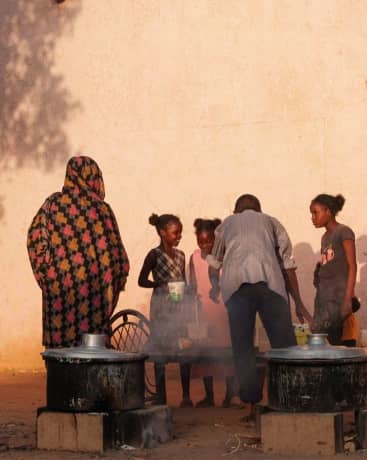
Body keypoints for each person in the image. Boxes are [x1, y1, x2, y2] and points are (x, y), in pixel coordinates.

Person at [207, 194, 312, 414]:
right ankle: (290, 396)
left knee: (242, 347)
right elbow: (287, 266)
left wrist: (215, 286)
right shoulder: (272, 222)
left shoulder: (227, 224)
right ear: (259, 210)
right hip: (270, 285)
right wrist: (299, 303)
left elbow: (214, 265)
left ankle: (250, 402)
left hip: (236, 289)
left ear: (236, 211)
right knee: (285, 346)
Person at [27, 156, 129, 348]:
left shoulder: (52, 205)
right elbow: (119, 259)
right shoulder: (102, 210)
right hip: (95, 300)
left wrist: (49, 276)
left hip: (59, 296)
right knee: (93, 355)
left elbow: (35, 240)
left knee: (60, 360)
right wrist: (109, 284)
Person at [137, 213, 191, 406]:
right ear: (162, 233)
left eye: (180, 233)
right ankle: (161, 396)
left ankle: (186, 396)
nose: (179, 236)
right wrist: (158, 284)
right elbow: (141, 280)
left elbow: (182, 279)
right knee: (160, 350)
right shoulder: (154, 255)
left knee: (184, 349)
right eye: (175, 233)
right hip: (161, 309)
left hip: (178, 307)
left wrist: (187, 290)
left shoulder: (181, 255)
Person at [187, 218, 237, 408]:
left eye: (209, 242)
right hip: (204, 311)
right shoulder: (194, 257)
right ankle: (209, 396)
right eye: (201, 242)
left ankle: (229, 396)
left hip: (224, 310)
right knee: (204, 354)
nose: (205, 246)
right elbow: (192, 284)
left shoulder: (225, 257)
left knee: (227, 353)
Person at [310, 194, 357, 345]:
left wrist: (347, 299)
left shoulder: (344, 232)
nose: (312, 218)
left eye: (315, 213)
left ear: (328, 212)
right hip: (325, 302)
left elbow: (352, 265)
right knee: (323, 346)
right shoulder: (325, 238)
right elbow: (328, 264)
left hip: (339, 300)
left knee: (339, 347)